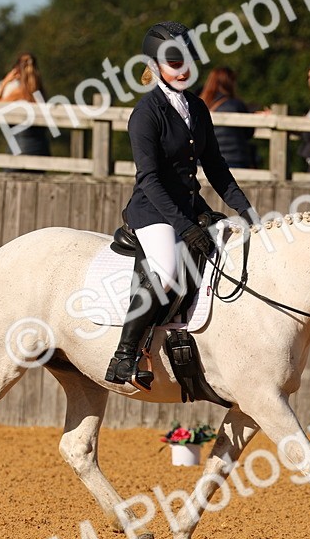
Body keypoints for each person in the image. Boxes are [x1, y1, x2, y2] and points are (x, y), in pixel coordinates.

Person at [104, 21, 256, 389]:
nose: (184, 69)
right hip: (153, 211)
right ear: (155, 66)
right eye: (175, 63)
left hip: (190, 206)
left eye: (188, 61)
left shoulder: (198, 108)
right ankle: (125, 355)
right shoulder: (146, 113)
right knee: (168, 269)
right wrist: (185, 227)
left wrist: (247, 211)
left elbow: (216, 167)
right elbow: (149, 179)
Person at [0, 52, 51, 157]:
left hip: (19, 149)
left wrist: (4, 83)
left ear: (17, 71)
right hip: (41, 148)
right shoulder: (41, 93)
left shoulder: (18, 93)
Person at [200, 67, 256, 169]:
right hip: (234, 160)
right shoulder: (236, 105)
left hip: (204, 162)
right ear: (230, 83)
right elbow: (249, 132)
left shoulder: (200, 104)